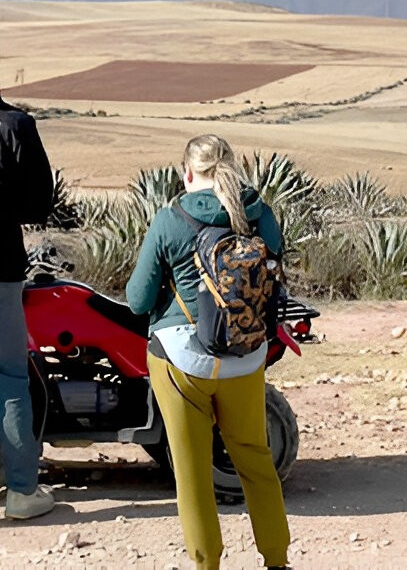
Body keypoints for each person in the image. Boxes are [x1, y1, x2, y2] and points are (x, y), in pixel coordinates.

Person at [126, 134, 290, 569]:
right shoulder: (260, 215)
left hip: (181, 361)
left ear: (187, 174)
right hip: (247, 356)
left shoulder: (170, 219)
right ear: (232, 169)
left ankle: (206, 564)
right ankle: (276, 559)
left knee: (193, 472)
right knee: (255, 459)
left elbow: (138, 301)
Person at [0, 90, 56, 520]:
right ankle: (21, 490)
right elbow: (40, 203)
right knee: (10, 378)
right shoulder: (16, 125)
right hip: (1, 267)